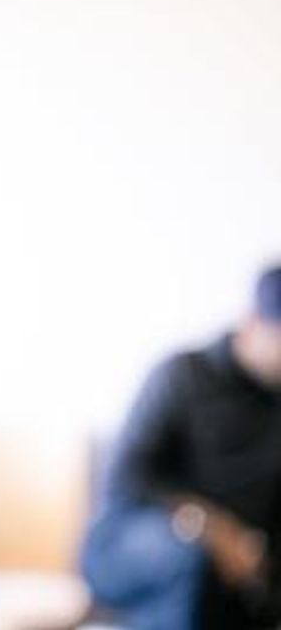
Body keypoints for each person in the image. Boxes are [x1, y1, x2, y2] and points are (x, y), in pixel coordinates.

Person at [81, 265, 281, 629]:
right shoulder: (182, 375)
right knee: (187, 557)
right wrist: (214, 529)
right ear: (252, 323)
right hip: (134, 542)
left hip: (237, 560)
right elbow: (129, 481)